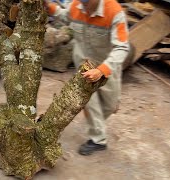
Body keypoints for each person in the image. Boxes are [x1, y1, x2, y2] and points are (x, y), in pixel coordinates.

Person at [47, 0, 130, 155]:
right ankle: (98, 140)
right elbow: (66, 16)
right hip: (83, 63)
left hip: (107, 64)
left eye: (88, 2)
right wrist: (49, 6)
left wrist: (102, 70)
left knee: (110, 106)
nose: (84, 6)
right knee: (90, 101)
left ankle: (94, 117)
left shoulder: (114, 12)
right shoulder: (76, 6)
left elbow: (122, 47)